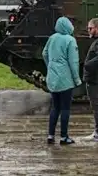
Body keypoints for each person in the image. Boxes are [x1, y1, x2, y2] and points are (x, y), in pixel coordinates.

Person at [42, 16, 81, 145]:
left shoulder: (52, 38)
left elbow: (44, 53)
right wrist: (76, 79)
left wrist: (50, 66)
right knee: (65, 109)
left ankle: (50, 135)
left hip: (53, 78)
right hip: (65, 79)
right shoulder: (70, 40)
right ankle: (64, 137)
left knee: (55, 108)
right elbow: (73, 61)